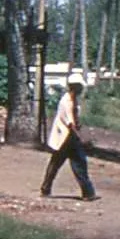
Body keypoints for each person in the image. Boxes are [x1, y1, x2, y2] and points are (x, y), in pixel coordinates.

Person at [39, 73, 98, 201]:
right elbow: (71, 124)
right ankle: (88, 192)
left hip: (67, 136)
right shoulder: (66, 102)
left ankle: (46, 188)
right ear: (75, 87)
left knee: (59, 163)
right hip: (66, 137)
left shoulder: (73, 100)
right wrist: (81, 138)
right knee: (77, 163)